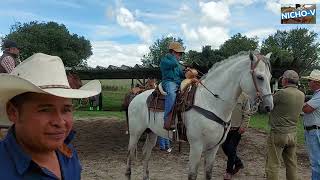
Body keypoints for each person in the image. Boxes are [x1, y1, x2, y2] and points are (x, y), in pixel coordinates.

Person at [0, 53, 101, 179]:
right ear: (13, 112)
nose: (60, 122)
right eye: (45, 110)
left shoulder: (68, 153)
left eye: (66, 109)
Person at [265, 70, 305, 180]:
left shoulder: (281, 93)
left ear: (286, 80)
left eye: (283, 78)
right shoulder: (302, 94)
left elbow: (267, 105)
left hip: (278, 133)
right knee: (292, 164)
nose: (281, 80)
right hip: (292, 134)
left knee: (273, 164)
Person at [222, 93, 251, 180]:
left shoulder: (245, 97)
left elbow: (247, 114)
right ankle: (238, 163)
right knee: (224, 147)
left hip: (237, 129)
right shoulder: (226, 93)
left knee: (231, 149)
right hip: (226, 128)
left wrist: (244, 126)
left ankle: (229, 172)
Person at [160, 41, 185, 130]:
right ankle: (167, 119)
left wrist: (188, 72)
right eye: (179, 53)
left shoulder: (177, 64)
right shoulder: (165, 60)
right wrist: (174, 58)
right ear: (173, 52)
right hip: (168, 82)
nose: (180, 56)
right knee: (172, 93)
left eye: (181, 54)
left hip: (178, 82)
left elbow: (182, 75)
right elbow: (173, 64)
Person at [301, 69, 320, 180]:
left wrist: (298, 102)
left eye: (310, 80)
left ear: (316, 82)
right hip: (314, 130)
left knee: (316, 161)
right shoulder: (316, 94)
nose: (308, 82)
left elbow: (307, 109)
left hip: (314, 131)